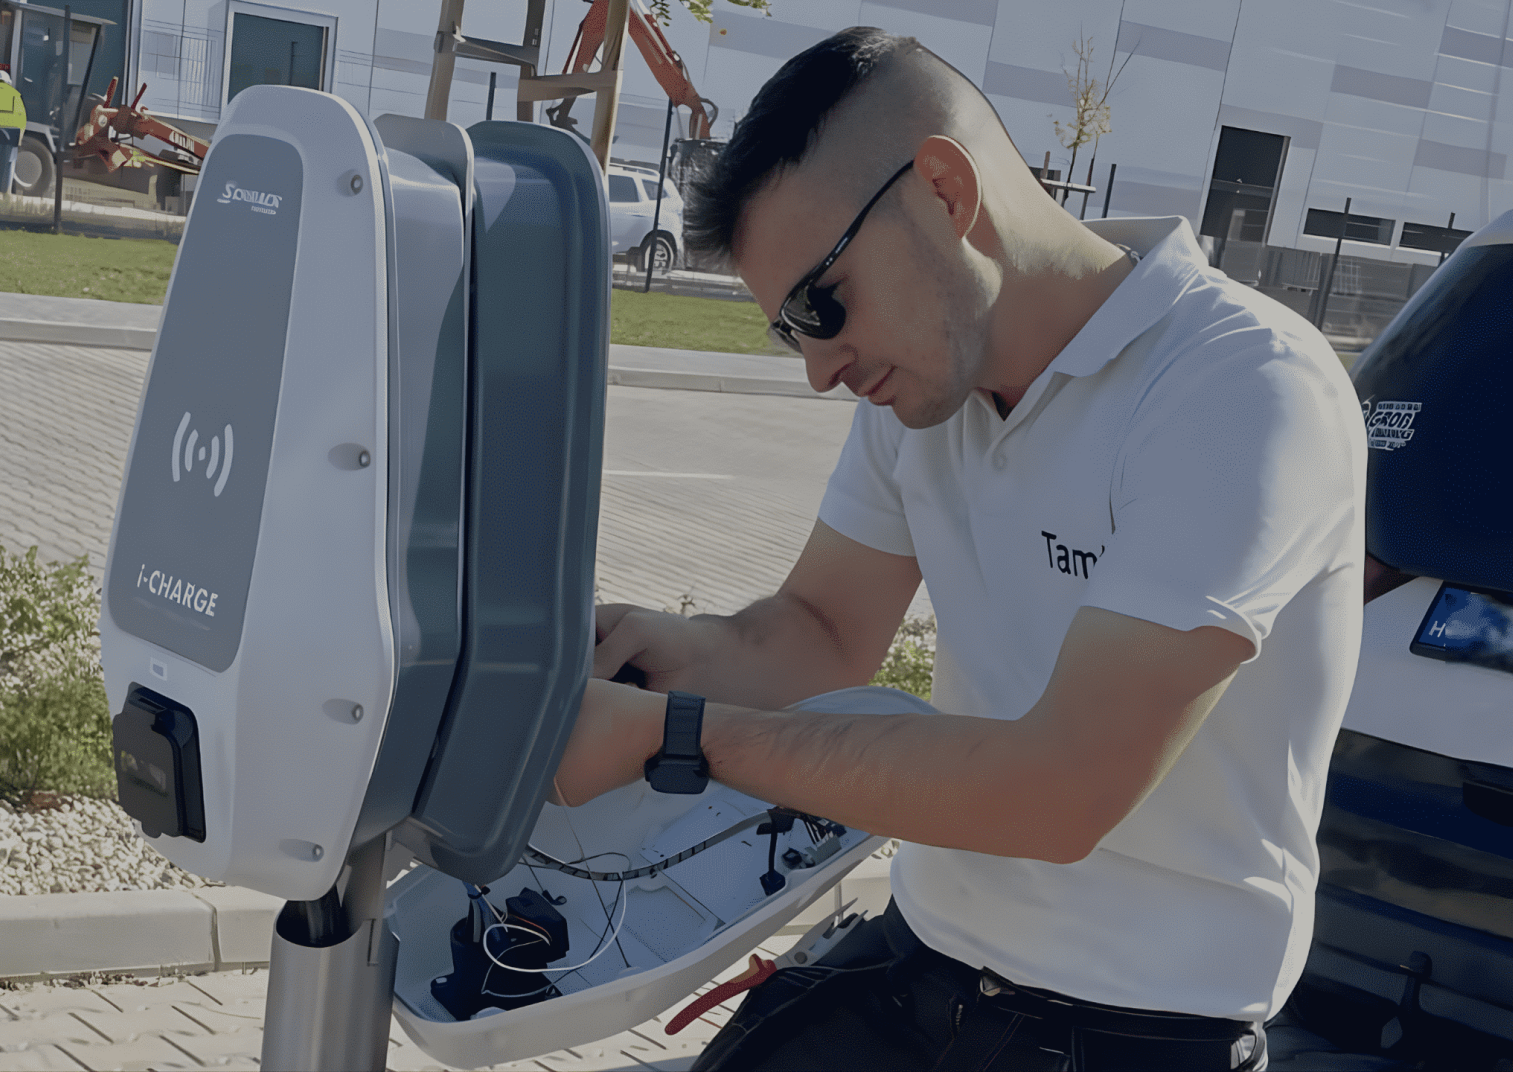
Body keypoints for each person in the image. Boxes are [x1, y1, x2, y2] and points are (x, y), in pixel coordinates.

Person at [548, 28, 1367, 1072]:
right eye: (788, 331)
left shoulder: (1239, 388)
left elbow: (1060, 791)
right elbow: (821, 633)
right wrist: (656, 655)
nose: (818, 370)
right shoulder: (922, 395)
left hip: (1135, 1025)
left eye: (820, 303)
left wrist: (677, 735)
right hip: (923, 957)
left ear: (944, 189)